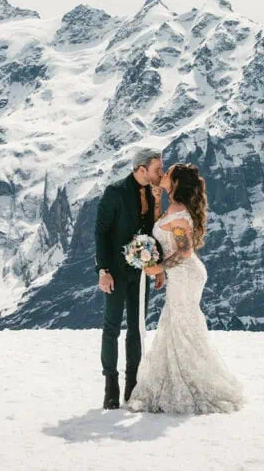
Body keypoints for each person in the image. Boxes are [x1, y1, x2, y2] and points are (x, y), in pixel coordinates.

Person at [126, 162, 245, 415]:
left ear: (176, 182)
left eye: (167, 174)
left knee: (183, 327)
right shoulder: (173, 208)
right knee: (177, 325)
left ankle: (196, 386)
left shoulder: (180, 213)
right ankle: (178, 382)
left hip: (186, 274)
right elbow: (160, 227)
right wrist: (157, 200)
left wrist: (159, 269)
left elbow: (184, 250)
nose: (163, 175)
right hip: (180, 274)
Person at [95, 147, 166, 410]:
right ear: (141, 170)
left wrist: (158, 268)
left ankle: (132, 385)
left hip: (141, 272)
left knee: (137, 328)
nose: (161, 173)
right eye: (157, 169)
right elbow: (100, 233)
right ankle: (110, 385)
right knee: (111, 327)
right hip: (114, 270)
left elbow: (154, 232)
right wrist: (103, 271)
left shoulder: (154, 193)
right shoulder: (114, 192)